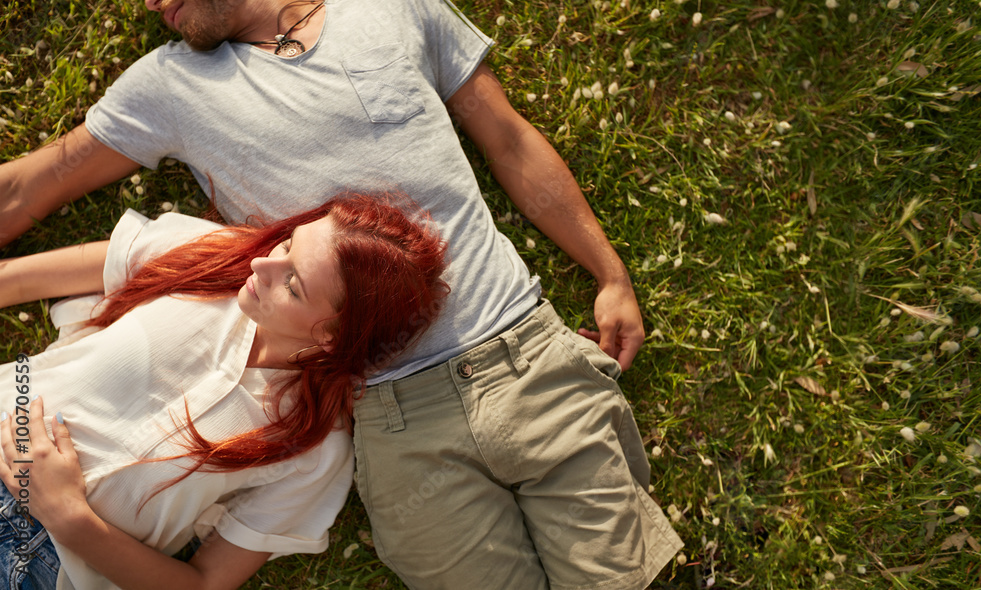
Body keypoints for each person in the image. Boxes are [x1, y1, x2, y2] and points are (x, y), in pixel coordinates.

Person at [0, 0, 684, 587]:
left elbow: (505, 137)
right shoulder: (169, 86)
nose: (148, 3)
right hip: (389, 410)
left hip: (520, 351)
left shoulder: (392, 7)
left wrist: (608, 272)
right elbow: (26, 187)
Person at [0, 192, 450, 590]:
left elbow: (206, 581)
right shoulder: (214, 259)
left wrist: (70, 519)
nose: (261, 264)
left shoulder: (312, 449)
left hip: (38, 561)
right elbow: (24, 278)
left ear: (333, 335)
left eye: (292, 283)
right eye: (288, 243)